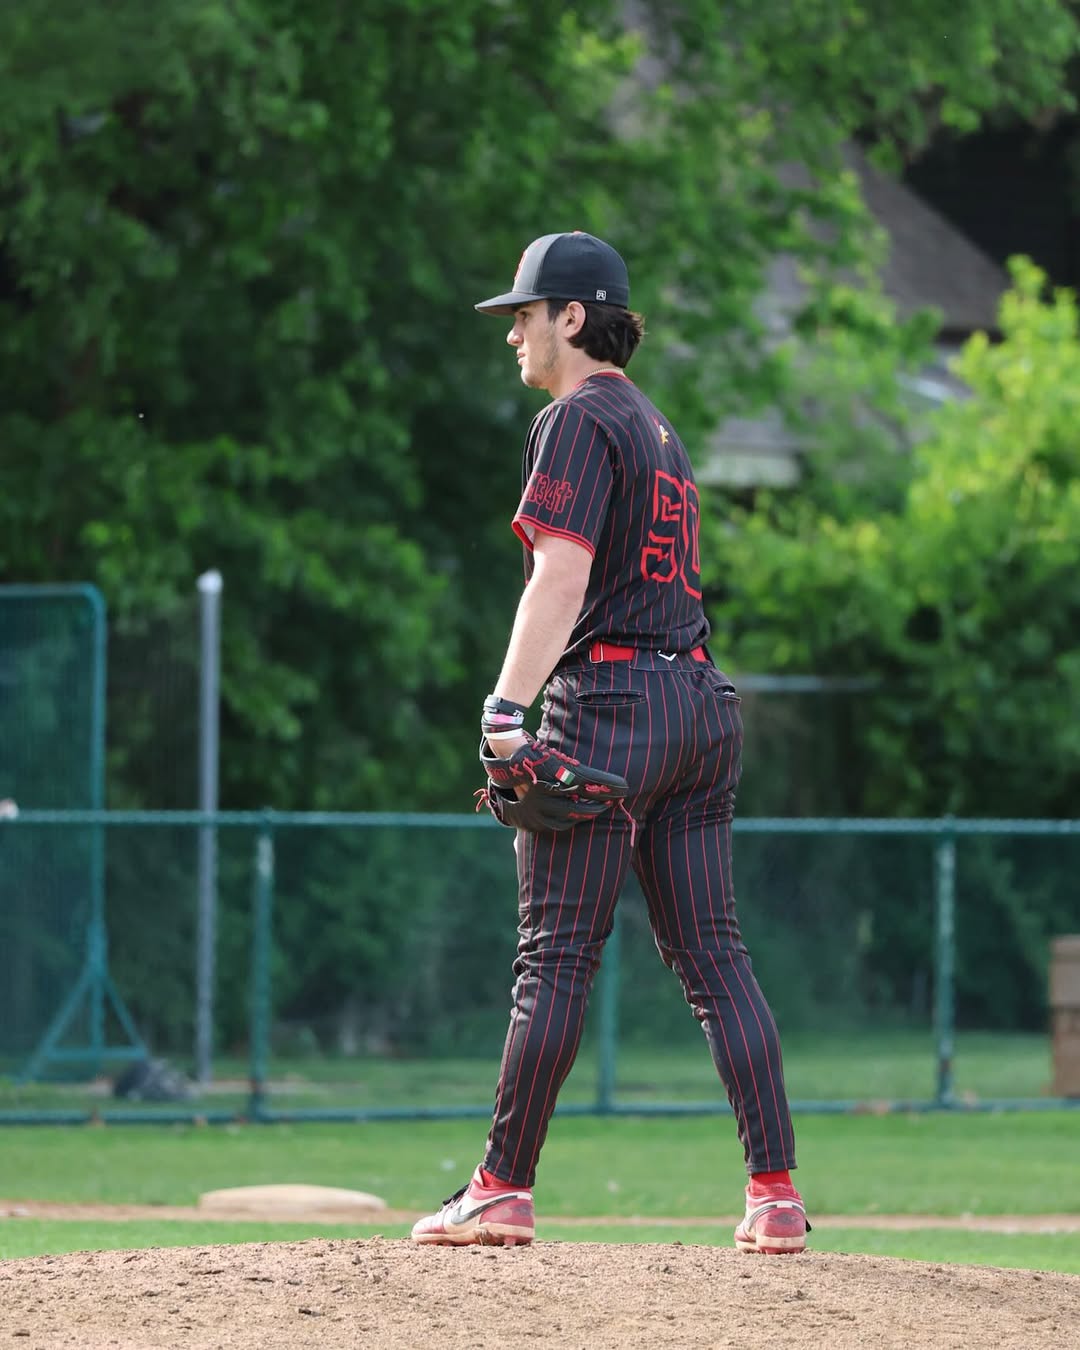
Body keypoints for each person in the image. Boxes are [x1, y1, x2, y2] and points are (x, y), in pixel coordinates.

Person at [411, 232, 808, 1255]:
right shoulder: (657, 427)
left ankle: (501, 1188)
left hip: (612, 704)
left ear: (573, 317)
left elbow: (562, 573)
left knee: (554, 960)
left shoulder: (575, 417)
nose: (514, 334)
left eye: (525, 315)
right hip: (699, 703)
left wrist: (506, 711)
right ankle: (775, 1194)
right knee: (716, 958)